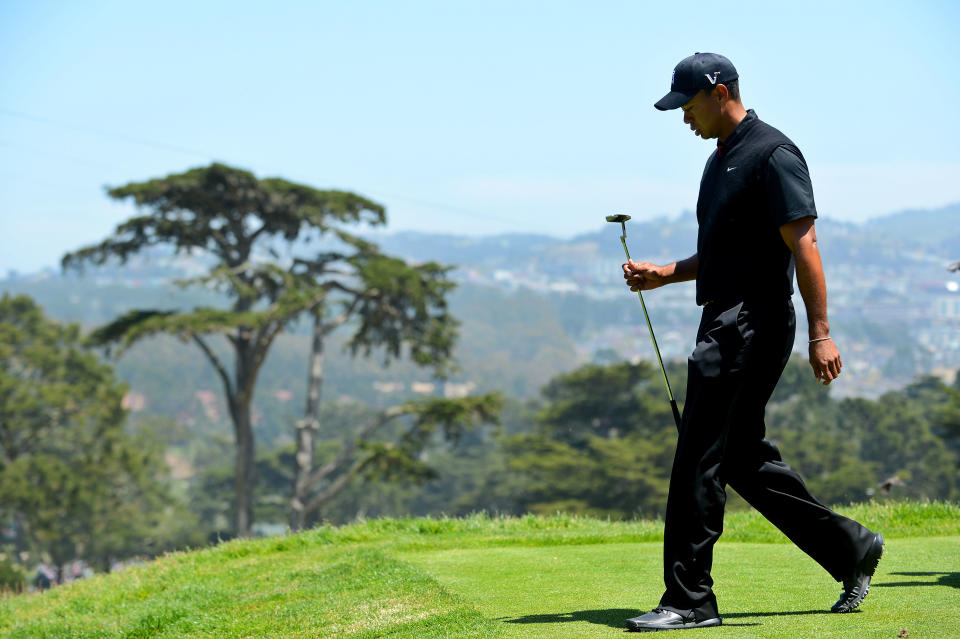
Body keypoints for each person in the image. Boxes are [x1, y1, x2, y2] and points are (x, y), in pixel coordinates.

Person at [621, 52, 884, 632]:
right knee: (737, 456)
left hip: (752, 323)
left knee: (698, 454)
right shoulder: (719, 161)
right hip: (725, 317)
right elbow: (726, 253)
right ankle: (851, 548)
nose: (683, 118)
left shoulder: (773, 154)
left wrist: (822, 333)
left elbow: (805, 246)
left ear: (718, 93)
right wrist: (666, 273)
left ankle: (689, 601)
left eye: (687, 105)